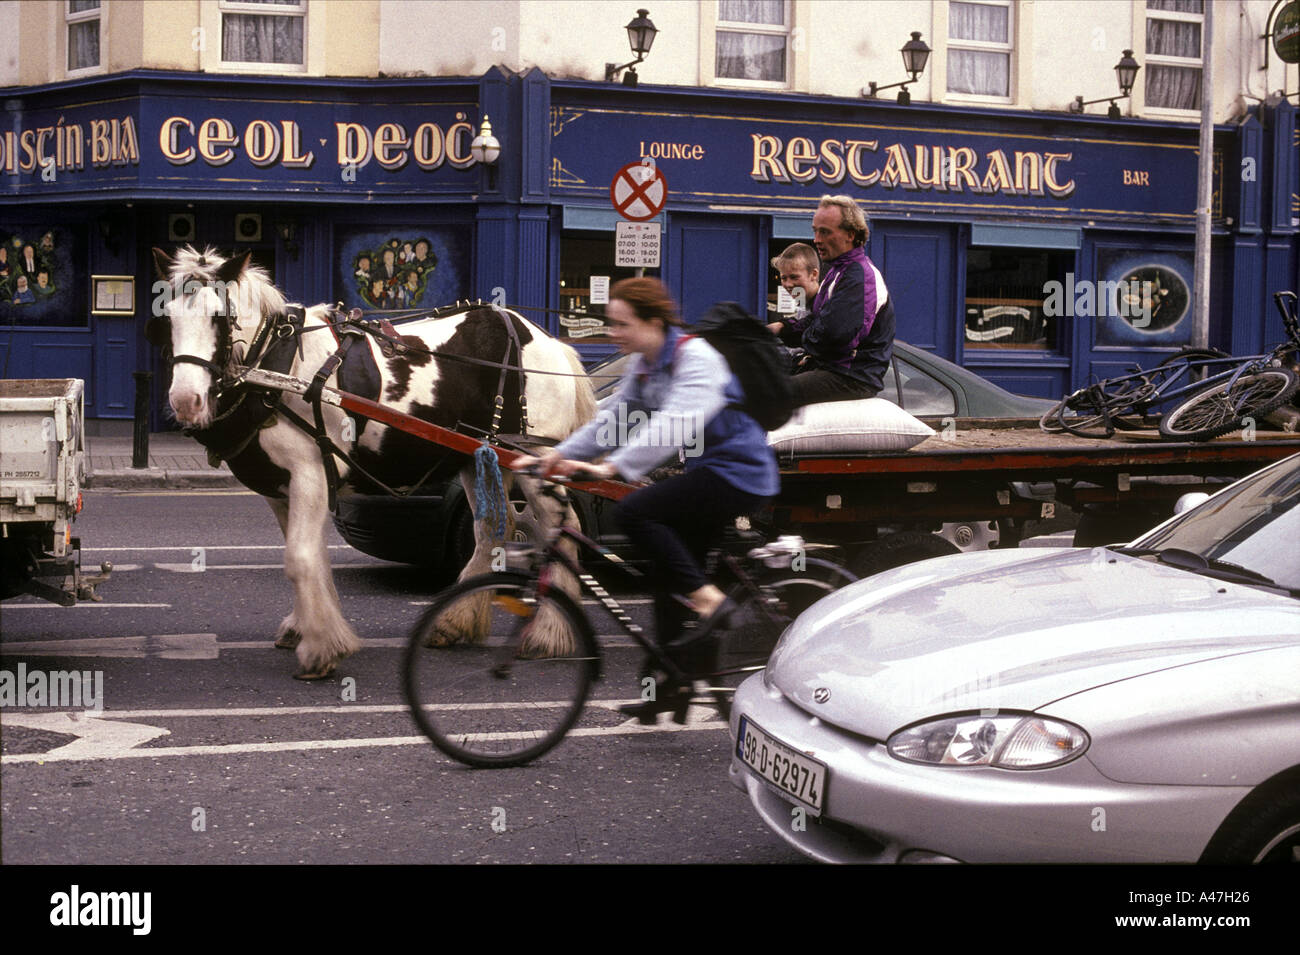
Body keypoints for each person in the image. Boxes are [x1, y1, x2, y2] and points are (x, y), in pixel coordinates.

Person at [516, 277, 779, 720]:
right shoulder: (645, 364)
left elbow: (677, 421)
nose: (613, 333)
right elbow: (614, 421)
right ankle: (671, 688)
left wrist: (614, 468)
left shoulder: (697, 358)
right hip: (707, 472)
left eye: (622, 324)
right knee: (667, 579)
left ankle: (710, 600)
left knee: (637, 512)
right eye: (611, 324)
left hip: (740, 473)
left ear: (654, 322)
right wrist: (555, 457)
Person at [774, 194, 896, 407]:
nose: (817, 239)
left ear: (850, 234)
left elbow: (833, 336)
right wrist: (781, 327)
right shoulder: (838, 272)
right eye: (815, 230)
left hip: (852, 377)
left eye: (825, 232)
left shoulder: (859, 277)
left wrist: (808, 344)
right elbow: (818, 322)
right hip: (836, 369)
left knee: (769, 393)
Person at [766, 241, 820, 333]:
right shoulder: (803, 303)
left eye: (794, 277)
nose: (788, 284)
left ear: (814, 275)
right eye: (783, 278)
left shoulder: (826, 306)